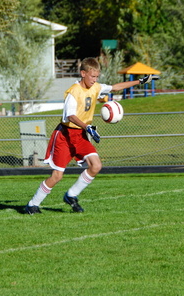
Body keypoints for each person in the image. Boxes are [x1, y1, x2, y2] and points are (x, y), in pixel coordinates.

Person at [25, 57, 153, 214]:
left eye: (97, 77)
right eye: (92, 76)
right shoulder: (74, 92)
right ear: (83, 73)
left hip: (81, 135)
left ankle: (71, 196)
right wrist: (88, 127)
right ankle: (32, 204)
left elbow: (115, 87)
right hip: (65, 136)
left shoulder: (96, 87)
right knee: (57, 176)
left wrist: (139, 81)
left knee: (96, 165)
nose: (95, 80)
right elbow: (70, 116)